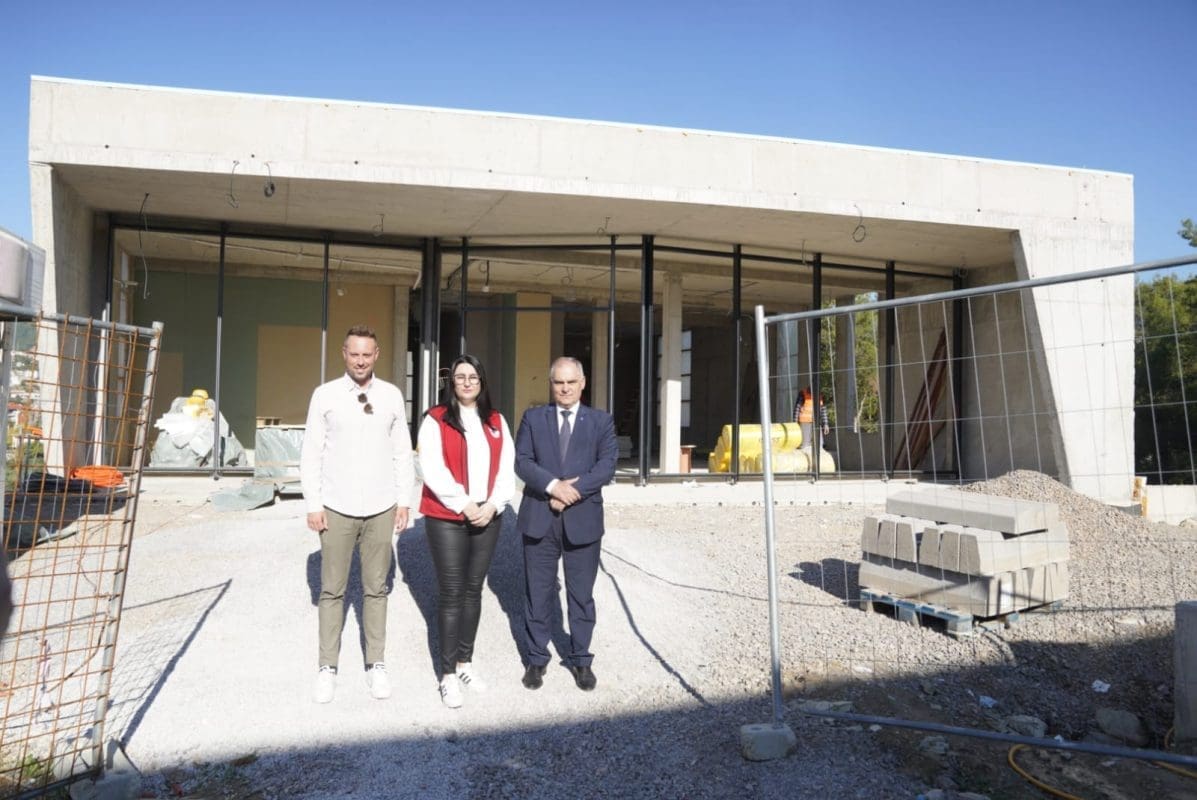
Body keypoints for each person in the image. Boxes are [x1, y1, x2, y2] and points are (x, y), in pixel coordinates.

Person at [300, 324, 415, 704]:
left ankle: (375, 664)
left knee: (376, 589)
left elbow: (402, 452)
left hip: (381, 507)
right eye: (355, 354)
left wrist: (404, 500)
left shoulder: (392, 395)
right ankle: (327, 667)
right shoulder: (325, 396)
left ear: (376, 355)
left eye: (367, 354)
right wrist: (313, 504)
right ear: (344, 354)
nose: (361, 361)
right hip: (336, 506)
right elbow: (312, 453)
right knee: (331, 590)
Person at [417, 355, 515, 708]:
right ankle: (446, 675)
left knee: (473, 591)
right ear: (452, 382)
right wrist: (464, 504)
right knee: (451, 592)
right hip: (447, 516)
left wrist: (494, 504)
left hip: (487, 515)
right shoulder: (436, 419)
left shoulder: (496, 421)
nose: (467, 382)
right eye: (460, 377)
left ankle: (464, 663)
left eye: (473, 376)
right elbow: (431, 467)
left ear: (482, 381)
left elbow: (506, 469)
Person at [514, 357, 618, 692]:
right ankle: (536, 658)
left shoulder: (601, 421)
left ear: (582, 383)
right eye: (559, 382)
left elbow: (607, 466)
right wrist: (552, 487)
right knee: (537, 592)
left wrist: (570, 492)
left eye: (571, 382)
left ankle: (581, 659)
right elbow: (522, 462)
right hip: (539, 518)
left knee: (581, 595)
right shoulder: (533, 418)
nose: (565, 388)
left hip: (582, 519)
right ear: (551, 383)